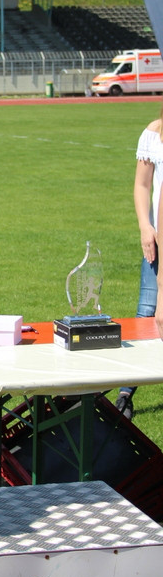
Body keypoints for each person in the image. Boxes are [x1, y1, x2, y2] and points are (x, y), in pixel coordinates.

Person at [117, 108, 163, 419]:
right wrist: (146, 227)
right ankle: (125, 393)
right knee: (147, 313)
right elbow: (142, 185)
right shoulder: (154, 133)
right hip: (159, 241)